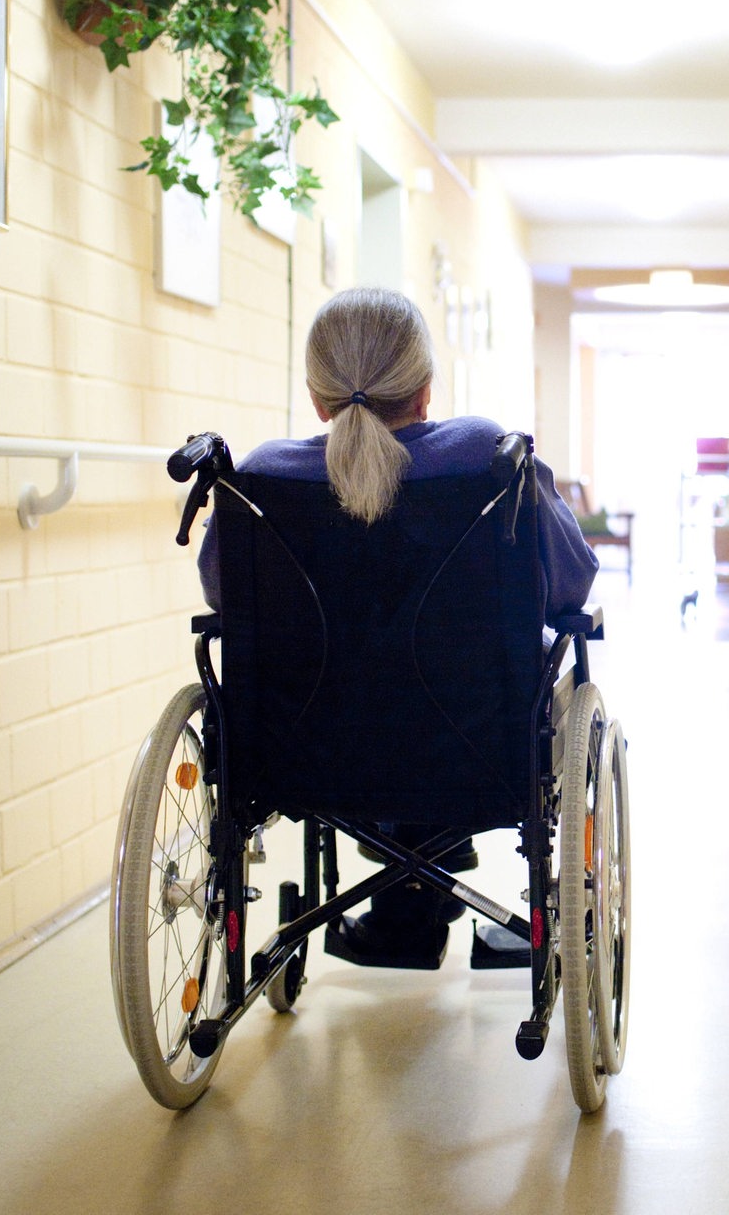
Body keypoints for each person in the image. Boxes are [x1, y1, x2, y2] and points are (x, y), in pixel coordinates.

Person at [196, 287, 599, 968]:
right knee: (443, 673)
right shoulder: (487, 459)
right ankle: (431, 861)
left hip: (304, 751)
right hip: (474, 744)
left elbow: (225, 596)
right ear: (424, 392)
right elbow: (569, 582)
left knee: (366, 680)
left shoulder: (262, 477)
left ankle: (409, 898)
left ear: (318, 397)